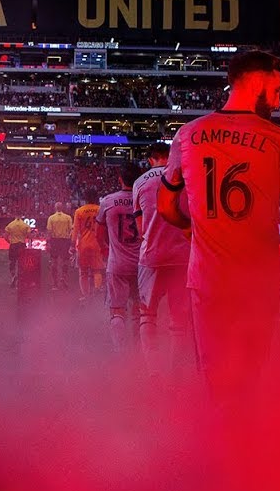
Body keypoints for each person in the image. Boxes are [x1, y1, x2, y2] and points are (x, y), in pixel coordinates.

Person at [158, 49, 280, 416]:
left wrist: (195, 228)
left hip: (207, 283)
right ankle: (244, 456)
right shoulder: (279, 140)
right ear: (258, 80)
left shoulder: (188, 135)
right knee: (248, 382)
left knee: (215, 382)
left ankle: (219, 456)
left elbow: (165, 208)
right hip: (258, 285)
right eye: (278, 88)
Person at [132, 142, 194, 380]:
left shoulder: (140, 182)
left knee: (148, 315)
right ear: (170, 156)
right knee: (179, 319)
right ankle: (176, 372)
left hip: (152, 257)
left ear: (151, 159)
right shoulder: (185, 178)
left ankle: (154, 373)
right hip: (182, 256)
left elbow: (140, 228)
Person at [95, 162, 144, 355]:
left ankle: (120, 352)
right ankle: (140, 348)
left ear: (120, 179)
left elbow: (99, 235)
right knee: (139, 310)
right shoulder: (144, 199)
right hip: (141, 264)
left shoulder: (108, 201)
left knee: (117, 310)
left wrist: (108, 252)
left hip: (118, 263)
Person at [72, 189, 105, 305]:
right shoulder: (100, 209)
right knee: (97, 270)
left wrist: (72, 245)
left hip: (84, 245)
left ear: (85, 198)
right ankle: (96, 291)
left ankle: (86, 296)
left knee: (83, 272)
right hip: (97, 244)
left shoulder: (79, 211)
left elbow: (75, 231)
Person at [45, 201, 74, 290]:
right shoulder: (68, 217)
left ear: (55, 208)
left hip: (55, 241)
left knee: (54, 261)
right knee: (65, 261)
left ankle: (55, 284)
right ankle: (63, 278)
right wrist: (71, 242)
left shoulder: (51, 218)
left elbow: (49, 231)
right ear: (62, 208)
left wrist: (48, 243)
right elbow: (71, 230)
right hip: (65, 241)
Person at [3, 214, 30, 287]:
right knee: (22, 263)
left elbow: (5, 237)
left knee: (12, 262)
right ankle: (20, 278)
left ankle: (13, 275)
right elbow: (29, 235)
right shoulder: (25, 225)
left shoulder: (10, 225)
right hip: (22, 244)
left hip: (13, 245)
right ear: (21, 216)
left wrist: (10, 242)